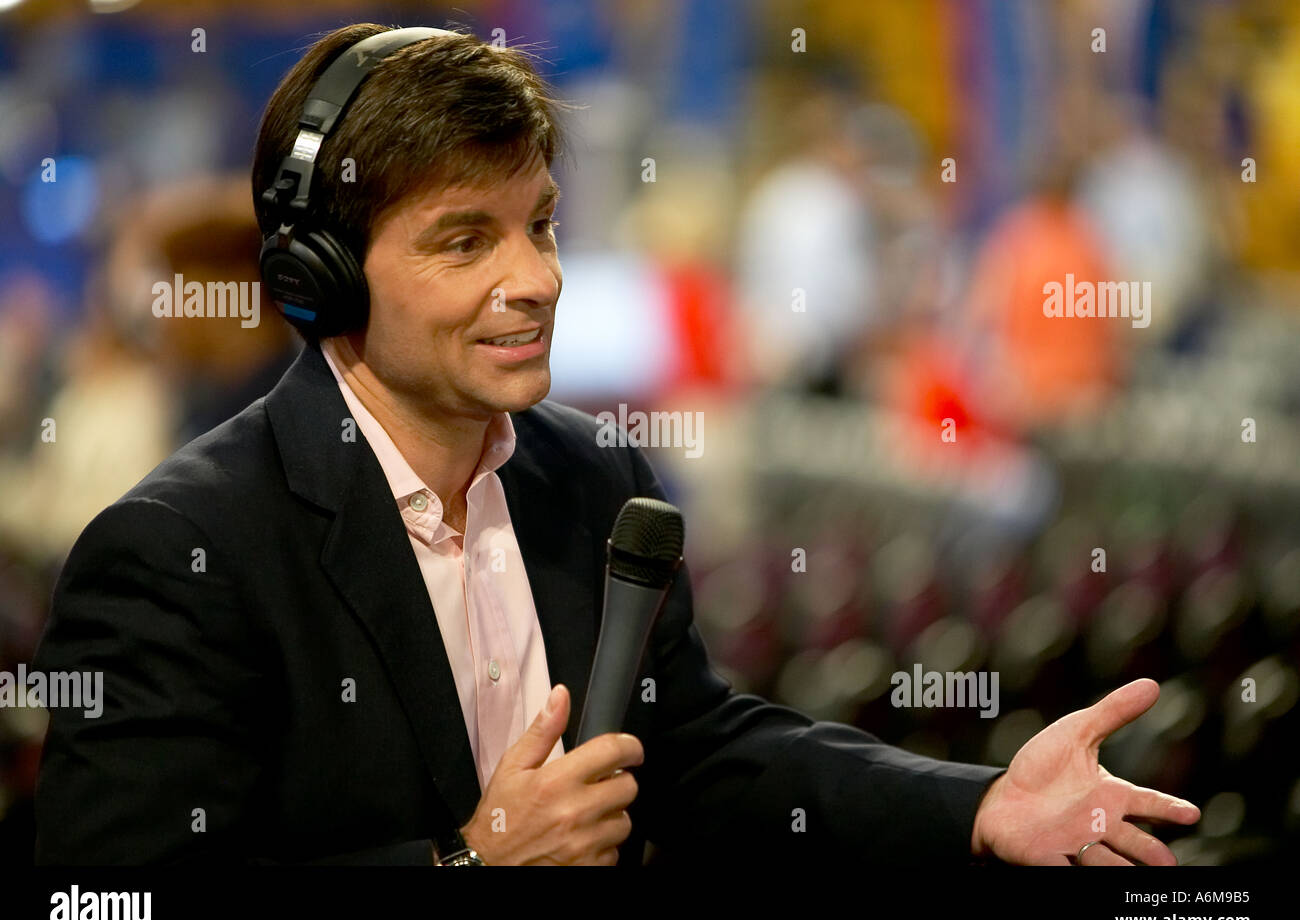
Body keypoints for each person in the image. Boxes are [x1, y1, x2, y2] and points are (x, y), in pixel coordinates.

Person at [32, 23, 1200, 866]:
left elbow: (692, 752)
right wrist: (469, 864)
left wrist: (980, 807)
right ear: (319, 276)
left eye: (537, 224)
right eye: (461, 241)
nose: (534, 279)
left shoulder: (588, 477)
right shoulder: (179, 551)